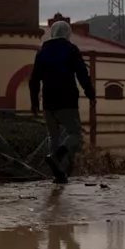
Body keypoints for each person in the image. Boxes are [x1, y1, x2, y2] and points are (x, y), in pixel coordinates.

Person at [28, 20, 96, 184]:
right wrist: (91, 95)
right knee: (74, 134)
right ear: (67, 33)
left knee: (53, 135)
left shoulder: (42, 52)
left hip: (49, 102)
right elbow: (82, 74)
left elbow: (34, 80)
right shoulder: (71, 50)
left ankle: (57, 174)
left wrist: (34, 103)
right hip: (67, 101)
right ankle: (59, 154)